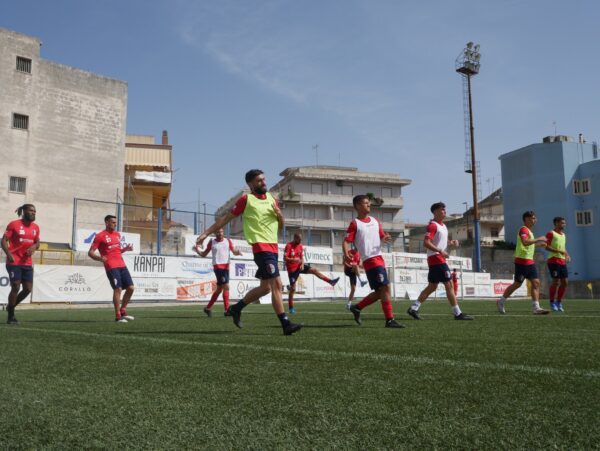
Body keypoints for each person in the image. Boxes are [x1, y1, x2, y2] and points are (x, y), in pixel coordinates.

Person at [196, 169, 302, 335]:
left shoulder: (271, 200)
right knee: (276, 285)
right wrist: (205, 234)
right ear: (251, 184)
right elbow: (224, 220)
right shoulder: (247, 200)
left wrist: (280, 216)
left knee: (266, 288)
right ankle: (285, 324)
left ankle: (236, 308)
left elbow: (280, 225)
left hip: (273, 248)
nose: (264, 182)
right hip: (261, 248)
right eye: (259, 180)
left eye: (264, 179)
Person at [343, 194, 404, 328]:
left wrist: (385, 238)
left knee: (381, 291)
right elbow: (346, 241)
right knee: (385, 288)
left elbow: (382, 236)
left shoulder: (375, 221)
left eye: (369, 202)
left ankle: (357, 307)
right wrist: (346, 253)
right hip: (370, 260)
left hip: (379, 258)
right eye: (365, 203)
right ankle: (389, 320)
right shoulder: (355, 224)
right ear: (357, 206)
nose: (369, 204)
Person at [407, 202, 473, 320]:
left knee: (432, 287)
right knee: (449, 284)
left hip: (437, 259)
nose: (444, 211)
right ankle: (457, 313)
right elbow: (426, 242)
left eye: (444, 209)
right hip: (436, 259)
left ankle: (413, 308)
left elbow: (440, 240)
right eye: (442, 209)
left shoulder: (443, 226)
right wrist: (440, 251)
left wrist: (450, 243)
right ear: (435, 212)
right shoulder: (433, 225)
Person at [497, 211, 549, 315]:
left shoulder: (529, 231)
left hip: (530, 261)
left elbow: (528, 244)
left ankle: (536, 308)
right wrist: (539, 239)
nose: (534, 220)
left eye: (534, 218)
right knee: (517, 284)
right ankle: (501, 301)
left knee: (536, 283)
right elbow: (525, 242)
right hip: (522, 261)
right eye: (532, 218)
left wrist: (539, 245)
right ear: (526, 219)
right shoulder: (523, 229)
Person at [88, 215, 135, 323]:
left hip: (122, 265)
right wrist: (100, 258)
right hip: (111, 266)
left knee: (131, 288)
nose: (115, 224)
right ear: (107, 223)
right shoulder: (100, 236)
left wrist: (125, 249)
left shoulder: (117, 234)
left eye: (115, 222)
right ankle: (118, 316)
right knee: (117, 289)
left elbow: (116, 251)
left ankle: (123, 311)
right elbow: (90, 253)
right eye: (113, 222)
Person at [2, 204, 40, 324]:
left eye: (35, 211)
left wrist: (34, 246)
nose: (33, 213)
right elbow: (3, 240)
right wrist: (8, 254)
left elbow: (37, 241)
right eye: (31, 210)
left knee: (28, 289)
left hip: (27, 263)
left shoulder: (36, 227)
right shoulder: (14, 224)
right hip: (14, 262)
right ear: (24, 211)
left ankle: (10, 306)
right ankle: (11, 316)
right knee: (16, 286)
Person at [284, 233, 339, 314]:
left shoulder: (300, 246)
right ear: (295, 238)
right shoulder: (288, 246)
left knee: (314, 270)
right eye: (299, 239)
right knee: (293, 289)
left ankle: (331, 281)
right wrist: (293, 260)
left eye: (301, 239)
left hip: (299, 266)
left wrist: (302, 264)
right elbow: (285, 258)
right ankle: (291, 308)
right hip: (292, 270)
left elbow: (301, 257)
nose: (300, 241)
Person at [193, 227, 242, 317]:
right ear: (215, 233)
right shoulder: (212, 242)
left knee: (219, 289)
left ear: (223, 232)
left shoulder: (228, 241)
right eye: (217, 232)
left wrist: (238, 252)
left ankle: (208, 308)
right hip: (218, 267)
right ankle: (227, 310)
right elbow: (204, 254)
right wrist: (197, 250)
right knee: (226, 287)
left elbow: (234, 251)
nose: (219, 234)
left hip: (226, 267)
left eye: (221, 232)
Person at [545, 216, 570, 312]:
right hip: (553, 261)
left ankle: (559, 302)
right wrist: (558, 251)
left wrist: (567, 255)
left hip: (562, 261)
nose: (564, 224)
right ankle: (552, 302)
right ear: (556, 223)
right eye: (562, 223)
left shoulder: (563, 235)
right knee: (556, 282)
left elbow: (563, 248)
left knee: (565, 282)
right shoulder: (551, 233)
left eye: (564, 222)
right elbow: (545, 246)